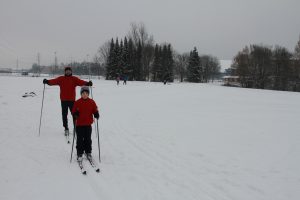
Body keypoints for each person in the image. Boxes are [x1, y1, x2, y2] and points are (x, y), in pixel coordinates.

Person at [43, 67, 92, 135]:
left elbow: (81, 82)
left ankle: (76, 127)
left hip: (72, 100)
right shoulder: (61, 79)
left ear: (71, 72)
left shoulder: (74, 79)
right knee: (64, 115)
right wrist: (47, 81)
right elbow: (54, 81)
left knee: (74, 114)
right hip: (63, 100)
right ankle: (66, 128)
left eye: (69, 71)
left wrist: (87, 83)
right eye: (67, 71)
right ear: (65, 72)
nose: (68, 72)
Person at [72, 86, 99, 161]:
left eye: (86, 93)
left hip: (88, 124)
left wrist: (96, 113)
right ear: (81, 94)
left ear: (88, 94)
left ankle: (88, 152)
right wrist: (75, 114)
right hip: (79, 125)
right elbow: (73, 111)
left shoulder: (91, 102)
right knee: (80, 139)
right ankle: (79, 153)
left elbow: (95, 109)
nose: (84, 94)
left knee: (88, 139)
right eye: (83, 93)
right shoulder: (77, 102)